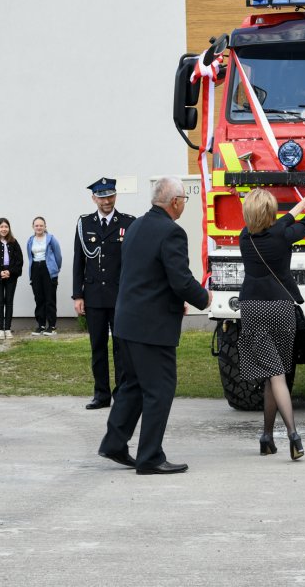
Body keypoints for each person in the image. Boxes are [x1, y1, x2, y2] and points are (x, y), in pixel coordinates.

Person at [98, 176, 211, 474]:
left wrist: (174, 298)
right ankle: (149, 457)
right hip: (151, 327)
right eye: (184, 199)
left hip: (127, 321)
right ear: (174, 202)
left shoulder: (136, 226)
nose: (184, 204)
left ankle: (114, 443)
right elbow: (180, 278)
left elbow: (146, 273)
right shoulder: (171, 232)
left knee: (132, 386)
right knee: (159, 389)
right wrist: (204, 298)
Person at [239, 187, 305, 460]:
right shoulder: (282, 237)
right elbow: (304, 224)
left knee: (271, 374)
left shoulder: (244, 238)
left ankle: (273, 436)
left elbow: (287, 219)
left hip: (253, 309)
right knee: (277, 375)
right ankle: (288, 436)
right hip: (281, 308)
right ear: (270, 212)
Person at [73, 177, 136, 410]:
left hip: (120, 295)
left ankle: (122, 393)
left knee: (121, 346)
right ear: (94, 199)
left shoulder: (128, 223)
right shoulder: (84, 223)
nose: (106, 201)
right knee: (97, 347)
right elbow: (78, 261)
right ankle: (101, 394)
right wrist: (77, 295)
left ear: (115, 196)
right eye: (101, 197)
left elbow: (134, 262)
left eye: (110, 196)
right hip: (94, 296)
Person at [0, 218, 24, 342]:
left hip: (11, 276)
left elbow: (19, 261)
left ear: (9, 228)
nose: (4, 229)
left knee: (9, 301)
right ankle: (0, 329)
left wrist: (10, 272)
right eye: (1, 227)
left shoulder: (14, 242)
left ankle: (8, 328)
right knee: (0, 301)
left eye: (6, 227)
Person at [27, 217, 63, 336]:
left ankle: (51, 326)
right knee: (39, 298)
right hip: (35, 270)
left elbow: (58, 256)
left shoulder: (51, 239)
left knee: (50, 298)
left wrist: (55, 269)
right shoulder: (30, 240)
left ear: (45, 226)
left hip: (48, 270)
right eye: (36, 225)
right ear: (33, 227)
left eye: (41, 225)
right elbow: (30, 256)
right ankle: (41, 325)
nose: (39, 227)